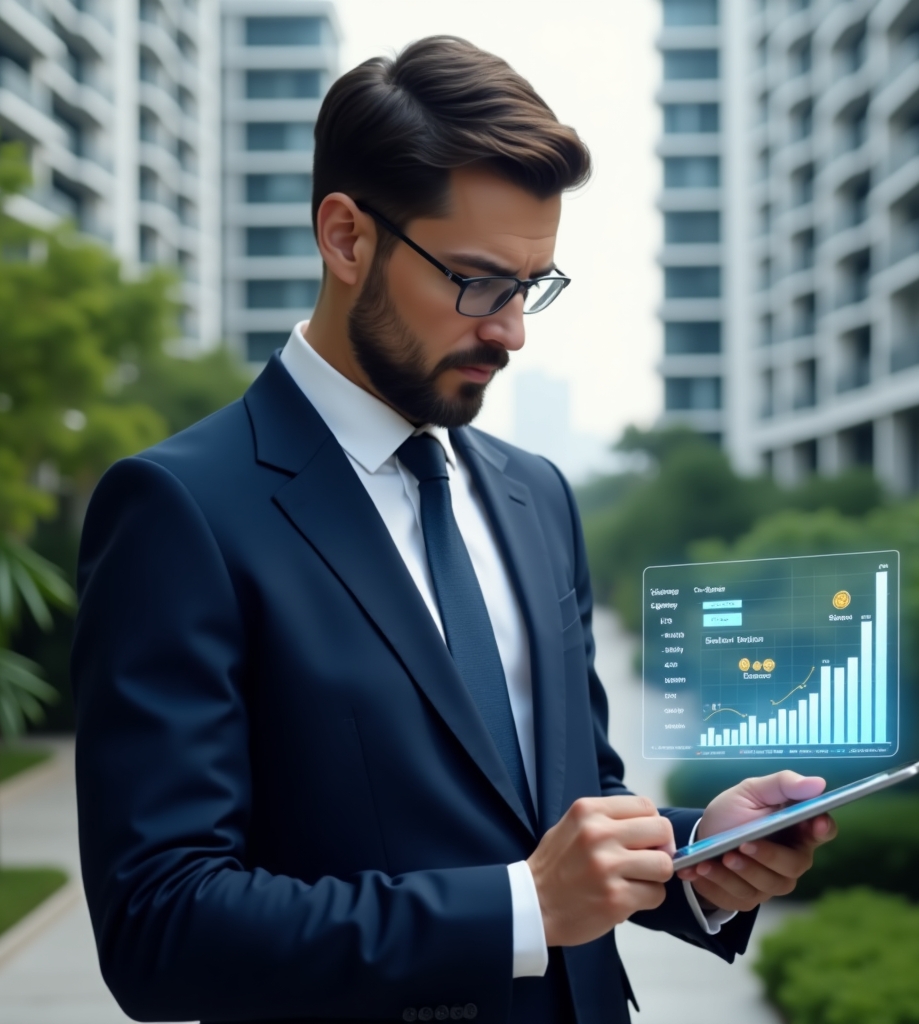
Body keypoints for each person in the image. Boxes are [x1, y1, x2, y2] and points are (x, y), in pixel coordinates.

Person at [71, 36, 836, 1024]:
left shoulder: (535, 495)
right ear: (347, 239)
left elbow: (567, 799)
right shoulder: (180, 511)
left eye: (531, 287)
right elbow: (159, 924)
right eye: (479, 283)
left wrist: (694, 853)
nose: (512, 331)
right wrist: (519, 905)